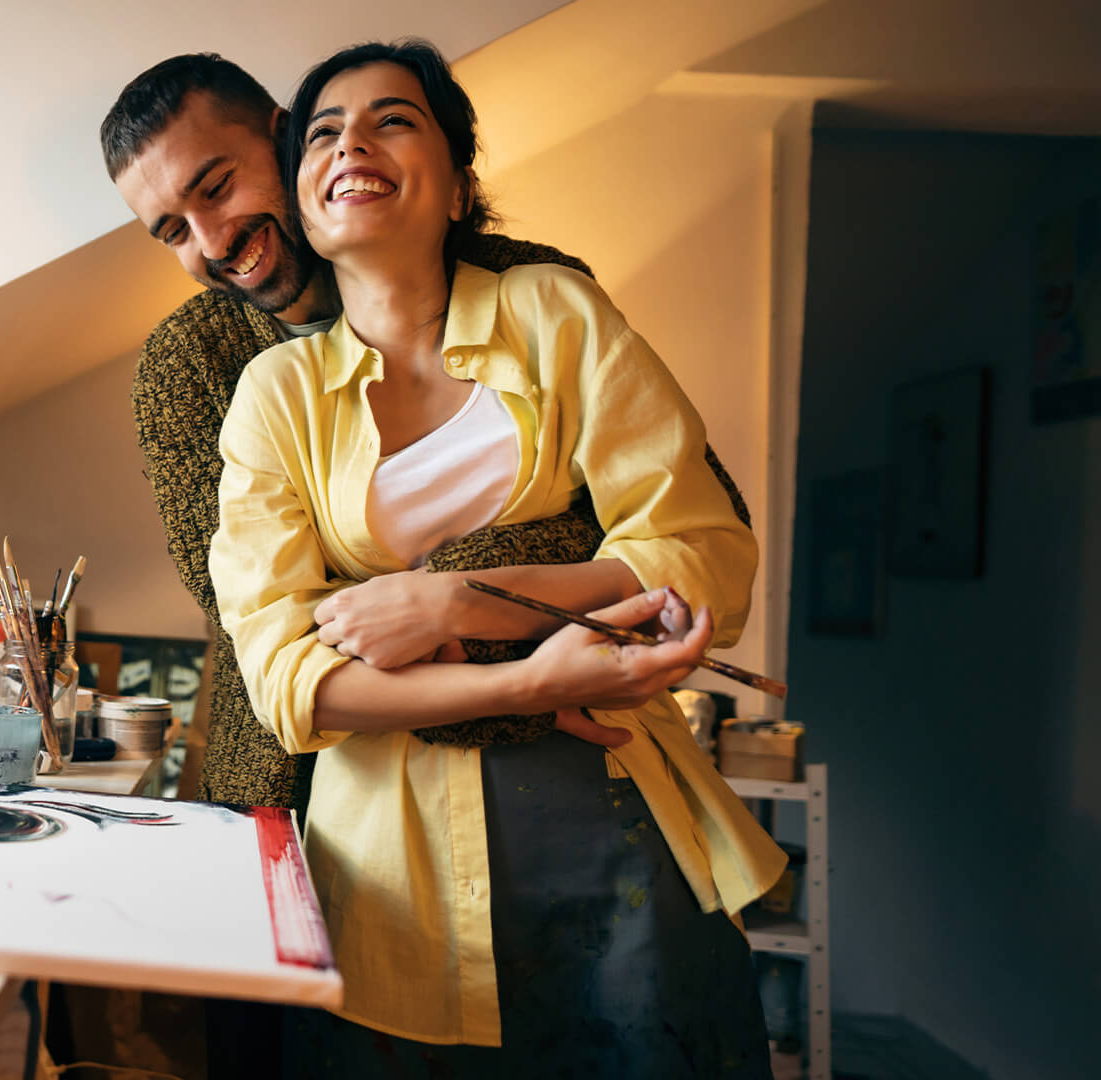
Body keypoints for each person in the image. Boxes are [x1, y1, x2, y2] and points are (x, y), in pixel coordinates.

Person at [209, 39, 785, 1077]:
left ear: (461, 186)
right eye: (324, 133)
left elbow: (703, 553)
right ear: (304, 202)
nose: (352, 143)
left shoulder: (556, 314)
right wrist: (535, 671)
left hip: (612, 813)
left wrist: (450, 607)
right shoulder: (276, 398)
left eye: (394, 119)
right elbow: (289, 681)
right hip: (390, 859)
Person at [104, 55, 650, 816]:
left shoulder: (534, 292)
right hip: (303, 777)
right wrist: (513, 666)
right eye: (172, 231)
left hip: (560, 766)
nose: (212, 241)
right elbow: (249, 606)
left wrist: (441, 603)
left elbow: (658, 528)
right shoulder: (187, 364)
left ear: (290, 139)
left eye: (217, 187)